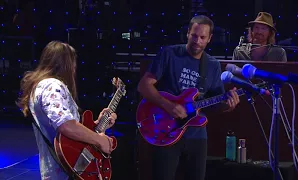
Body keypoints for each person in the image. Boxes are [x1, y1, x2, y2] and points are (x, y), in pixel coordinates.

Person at [137, 15, 240, 180]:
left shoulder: (212, 65)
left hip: (197, 136)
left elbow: (214, 105)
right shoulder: (169, 54)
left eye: (202, 37)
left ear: (210, 39)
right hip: (166, 131)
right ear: (187, 33)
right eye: (194, 35)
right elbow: (144, 86)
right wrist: (168, 106)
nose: (197, 41)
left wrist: (228, 105)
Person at [16, 41, 117, 180]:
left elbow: (67, 129)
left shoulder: (41, 86)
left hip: (63, 169)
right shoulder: (52, 86)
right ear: (66, 64)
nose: (75, 68)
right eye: (73, 63)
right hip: (64, 171)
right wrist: (99, 140)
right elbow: (66, 125)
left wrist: (98, 123)